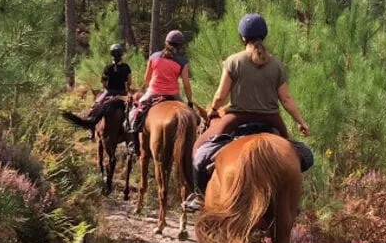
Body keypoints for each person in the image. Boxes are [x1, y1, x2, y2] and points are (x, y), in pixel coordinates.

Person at [182, 13, 309, 212]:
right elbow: (286, 99)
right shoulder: (276, 64)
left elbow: (220, 96)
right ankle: (293, 200)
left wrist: (213, 111)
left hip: (237, 117)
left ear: (243, 38)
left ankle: (199, 196)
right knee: (301, 156)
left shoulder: (234, 61)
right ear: (264, 36)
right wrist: (301, 122)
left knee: (199, 153)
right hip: (272, 120)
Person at [128, 30, 193, 155]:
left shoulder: (154, 57)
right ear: (180, 46)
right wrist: (190, 102)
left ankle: (134, 144)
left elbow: (147, 79)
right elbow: (186, 85)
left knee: (134, 114)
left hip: (153, 92)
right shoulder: (182, 62)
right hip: (173, 95)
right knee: (194, 119)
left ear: (166, 42)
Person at [86, 43, 132, 140]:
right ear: (121, 55)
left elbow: (103, 81)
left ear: (112, 55)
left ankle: (91, 130)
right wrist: (127, 89)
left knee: (95, 106)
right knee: (133, 108)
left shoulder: (108, 67)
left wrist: (106, 88)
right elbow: (129, 81)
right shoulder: (126, 67)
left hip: (109, 92)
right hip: (123, 93)